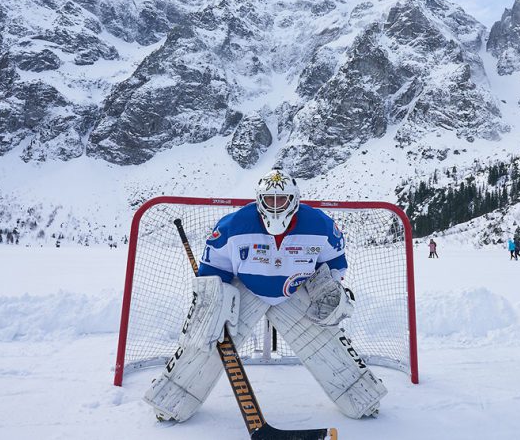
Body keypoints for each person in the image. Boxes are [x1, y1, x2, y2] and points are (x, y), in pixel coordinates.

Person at [144, 168, 386, 422]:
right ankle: (170, 402)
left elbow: (334, 263)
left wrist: (331, 289)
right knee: (207, 334)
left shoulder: (320, 225)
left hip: (295, 291)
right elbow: (213, 269)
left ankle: (363, 399)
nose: (274, 205)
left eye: (280, 199)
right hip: (246, 289)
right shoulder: (233, 225)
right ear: (259, 200)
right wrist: (213, 304)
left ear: (294, 200)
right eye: (269, 199)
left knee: (327, 342)